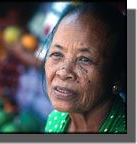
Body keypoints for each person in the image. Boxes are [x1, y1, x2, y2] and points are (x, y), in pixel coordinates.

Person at [43, 3, 126, 133]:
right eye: (57, 54)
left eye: (84, 59)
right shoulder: (55, 120)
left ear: (117, 76)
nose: (64, 73)